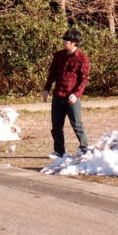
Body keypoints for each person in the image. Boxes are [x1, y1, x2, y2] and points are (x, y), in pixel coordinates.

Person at [42, 28, 90, 159]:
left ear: (74, 42)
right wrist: (46, 88)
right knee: (56, 126)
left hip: (72, 97)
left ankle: (85, 148)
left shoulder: (82, 58)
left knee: (77, 124)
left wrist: (77, 94)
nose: (64, 42)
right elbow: (52, 73)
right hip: (58, 95)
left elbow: (83, 79)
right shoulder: (58, 55)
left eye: (67, 40)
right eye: (64, 39)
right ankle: (59, 151)